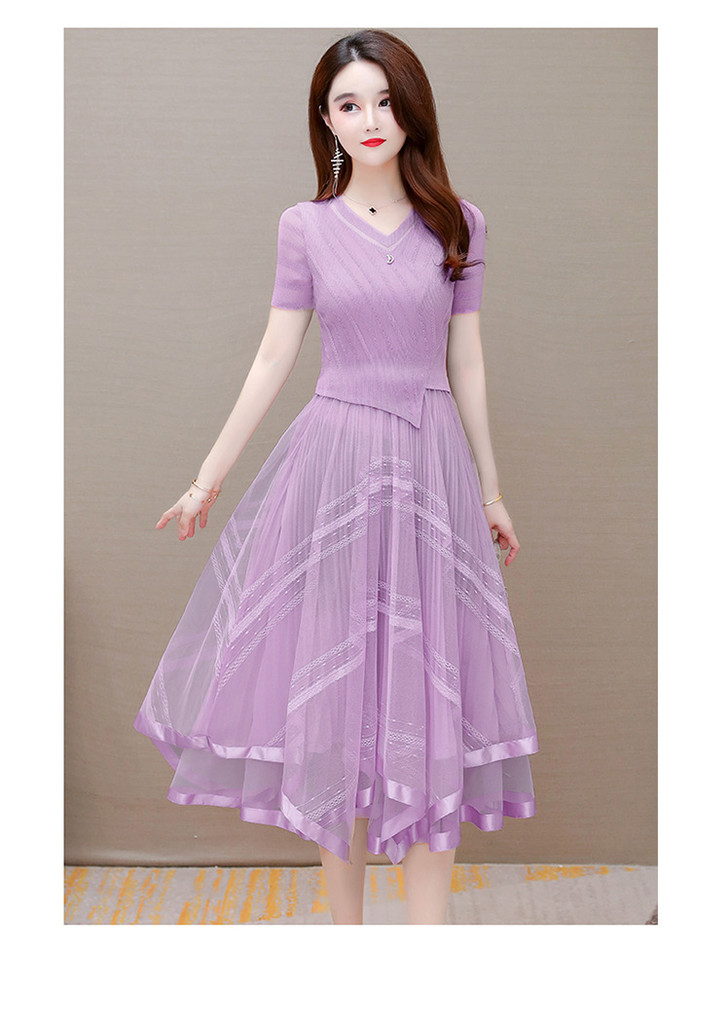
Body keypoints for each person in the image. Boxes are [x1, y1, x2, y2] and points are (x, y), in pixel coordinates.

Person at [134, 29, 539, 925]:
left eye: (385, 101)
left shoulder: (460, 223)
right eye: (349, 104)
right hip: (335, 472)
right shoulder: (304, 227)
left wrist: (491, 490)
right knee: (333, 699)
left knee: (430, 693)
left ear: (413, 110)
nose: (370, 119)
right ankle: (345, 942)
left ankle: (427, 944)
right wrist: (205, 481)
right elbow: (274, 355)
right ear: (325, 120)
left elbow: (467, 363)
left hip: (431, 469)